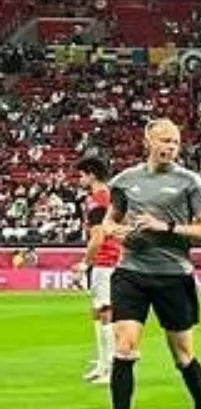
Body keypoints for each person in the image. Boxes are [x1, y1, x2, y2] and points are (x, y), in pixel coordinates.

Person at [100, 119, 201, 409]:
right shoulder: (125, 181)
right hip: (131, 273)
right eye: (165, 140)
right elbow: (109, 220)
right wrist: (116, 231)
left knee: (183, 355)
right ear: (148, 140)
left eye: (176, 142)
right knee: (124, 348)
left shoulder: (189, 182)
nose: (170, 147)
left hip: (173, 275)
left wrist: (165, 227)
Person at [74, 154, 122, 384]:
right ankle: (103, 363)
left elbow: (97, 237)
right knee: (98, 310)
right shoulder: (109, 196)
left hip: (106, 261)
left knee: (105, 311)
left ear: (92, 175)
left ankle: (112, 368)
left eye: (82, 175)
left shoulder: (98, 200)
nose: (79, 179)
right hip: (107, 260)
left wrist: (85, 263)